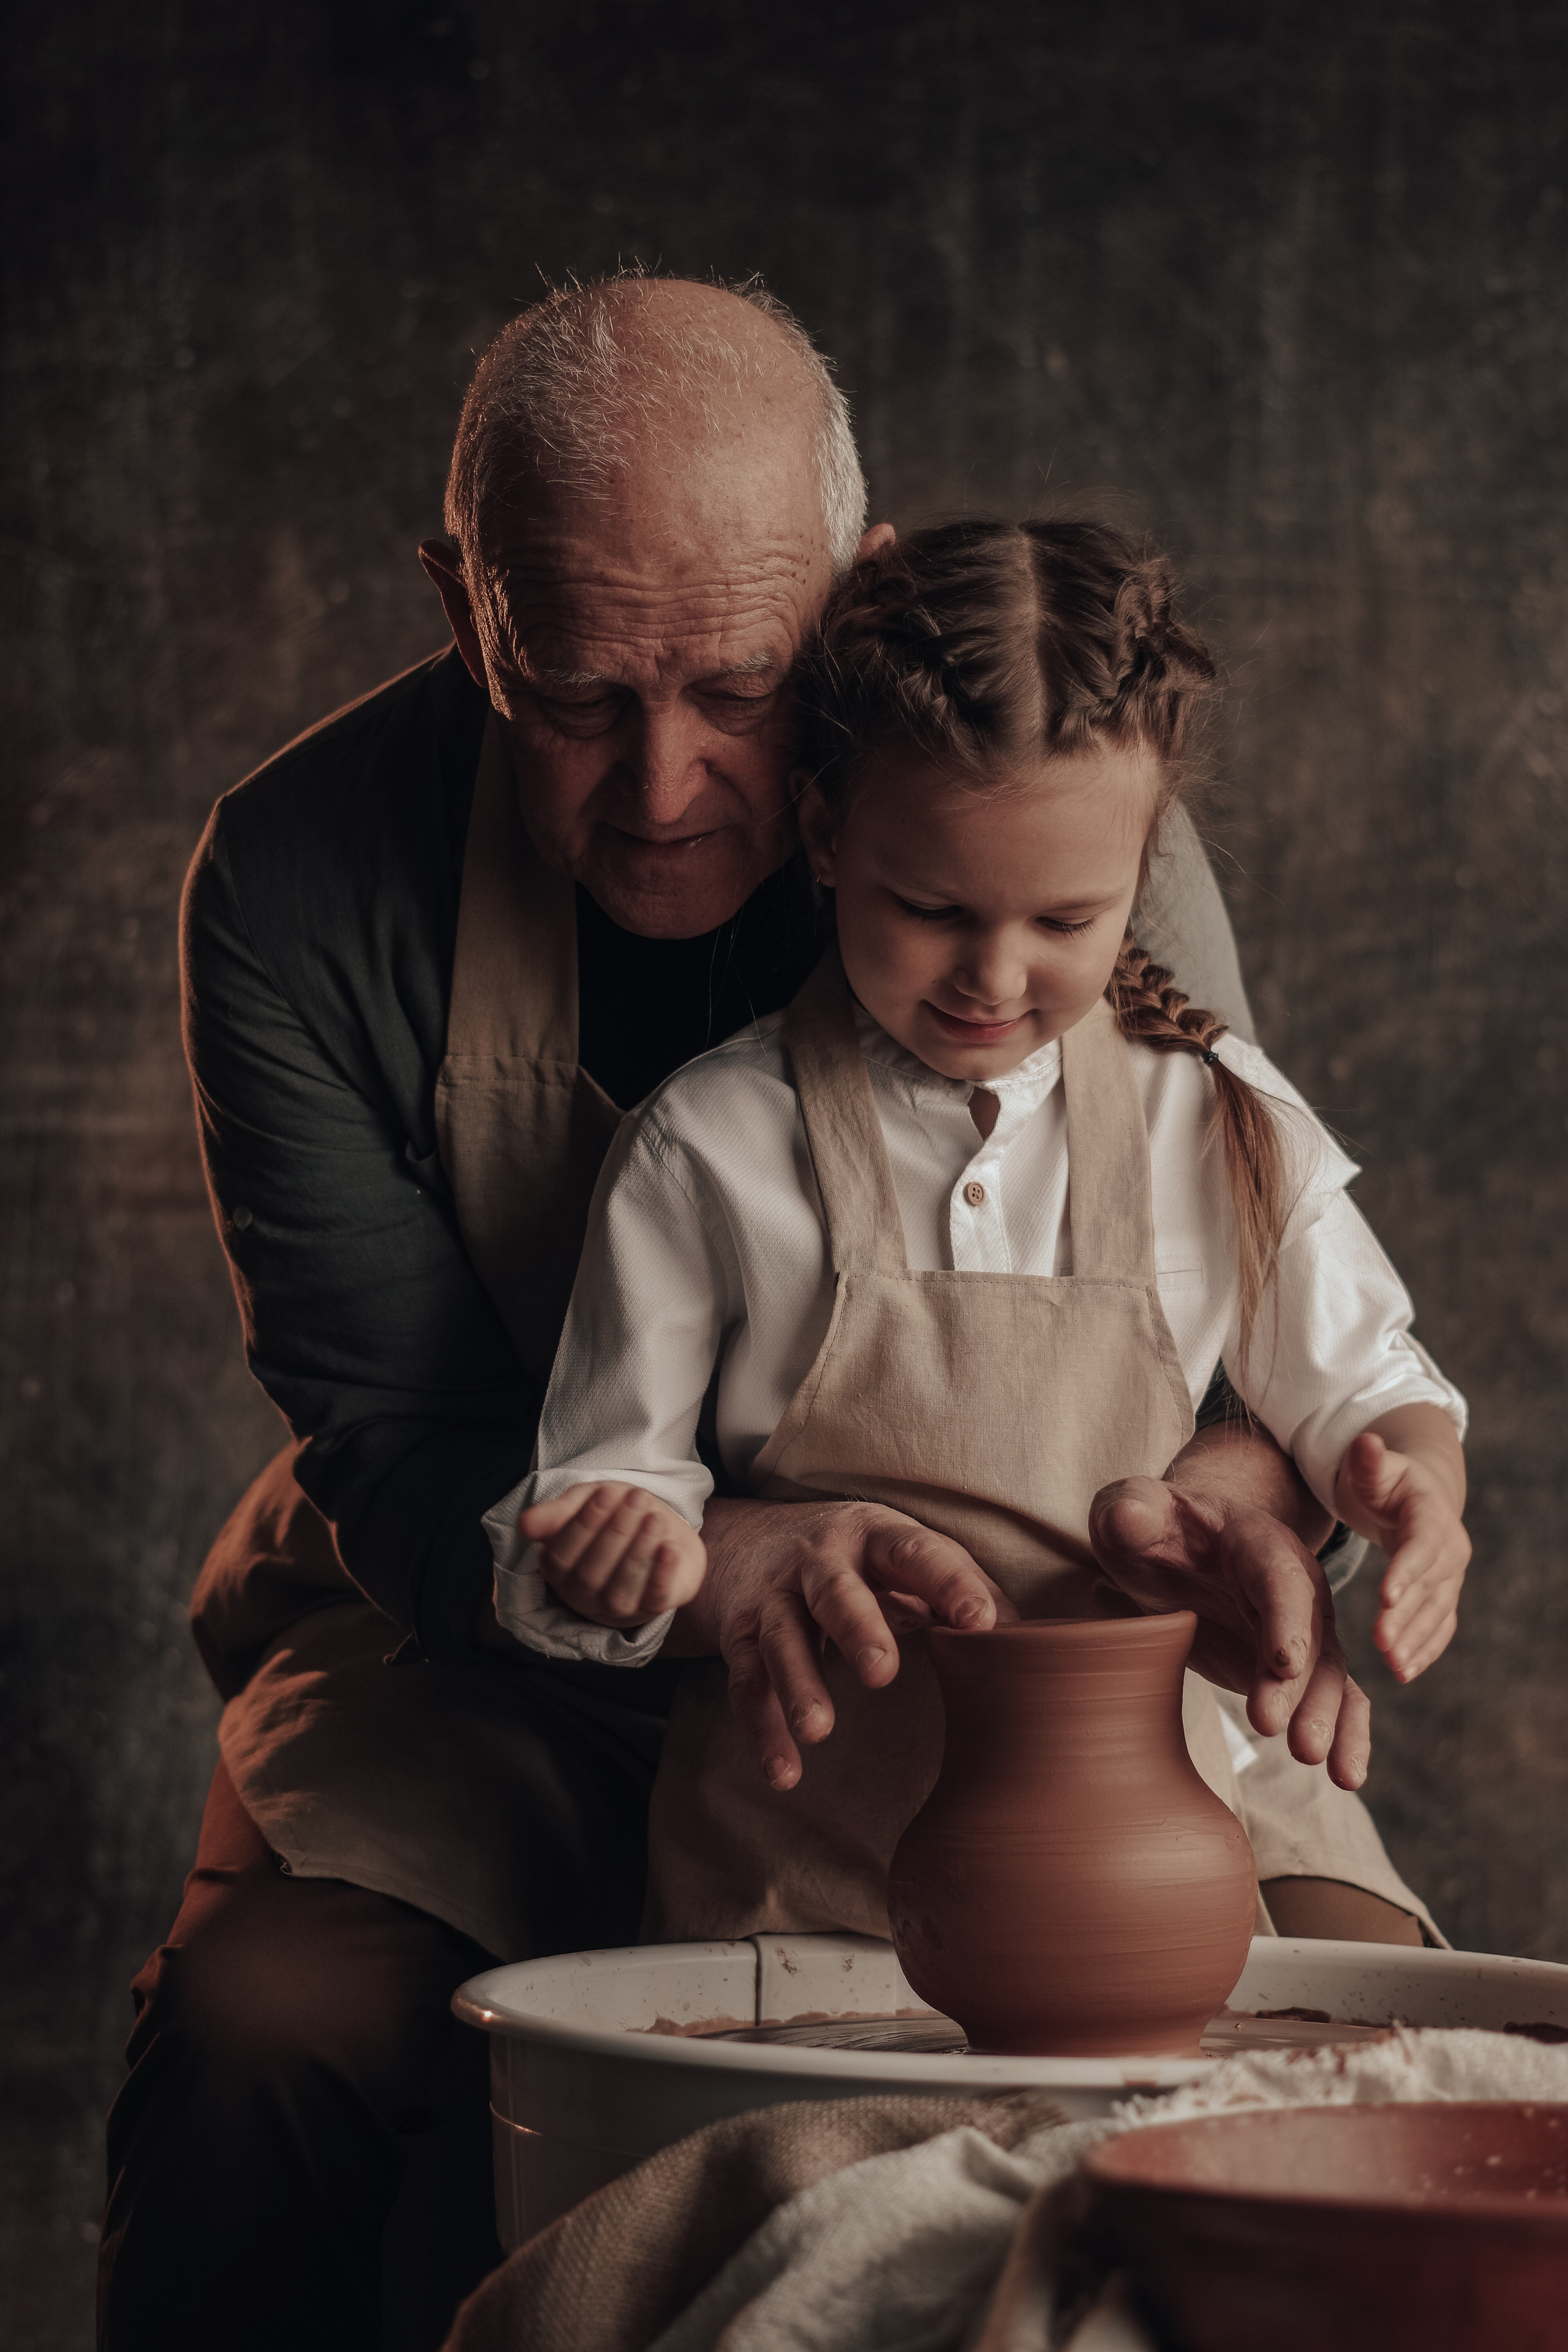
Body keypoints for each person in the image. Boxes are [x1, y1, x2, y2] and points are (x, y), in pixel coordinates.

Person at [99, 278, 1412, 2352]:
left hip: (1051, 1630)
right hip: (503, 1633)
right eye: (575, 695)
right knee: (270, 2032)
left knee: (1349, 2045)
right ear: (466, 609)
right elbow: (400, 1438)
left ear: (861, 596)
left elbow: (1253, 1323)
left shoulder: (1053, 822)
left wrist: (1254, 1501)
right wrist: (699, 1567)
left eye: (741, 684)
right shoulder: (294, 879)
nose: (666, 783)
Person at [492, 519, 1469, 1945]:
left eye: (1066, 918)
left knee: (1390, 2082)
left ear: (1144, 873)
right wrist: (622, 1554)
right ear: (826, 838)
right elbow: (604, 1493)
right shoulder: (707, 1148)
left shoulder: (1217, 1119)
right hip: (813, 1851)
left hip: (1167, 1801)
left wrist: (1414, 1484)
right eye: (931, 909)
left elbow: (1368, 1390)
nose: (994, 978)